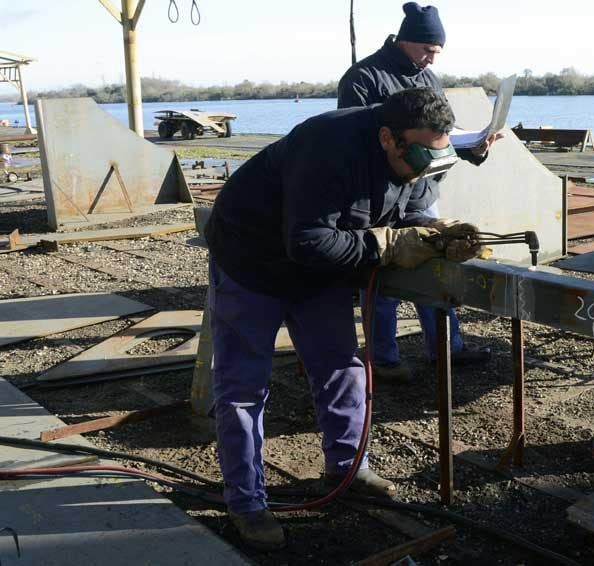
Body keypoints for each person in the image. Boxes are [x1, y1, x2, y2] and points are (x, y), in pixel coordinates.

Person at [203, 87, 483, 551]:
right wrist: (385, 245)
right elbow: (308, 242)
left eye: (436, 156)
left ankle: (348, 468)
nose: (424, 169)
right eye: (416, 155)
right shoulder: (327, 148)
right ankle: (246, 502)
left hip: (319, 270)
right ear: (387, 138)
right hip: (251, 260)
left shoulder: (424, 154)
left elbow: (411, 206)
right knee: (242, 387)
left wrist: (435, 233)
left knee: (340, 368)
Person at [337, 2, 497, 382]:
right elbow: (357, 141)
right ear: (406, 40)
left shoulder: (430, 79)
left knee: (439, 261)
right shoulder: (362, 78)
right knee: (382, 271)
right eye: (428, 50)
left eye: (436, 53)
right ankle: (383, 358)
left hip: (424, 191)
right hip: (379, 194)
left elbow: (442, 135)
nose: (431, 59)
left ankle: (448, 347)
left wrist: (473, 147)